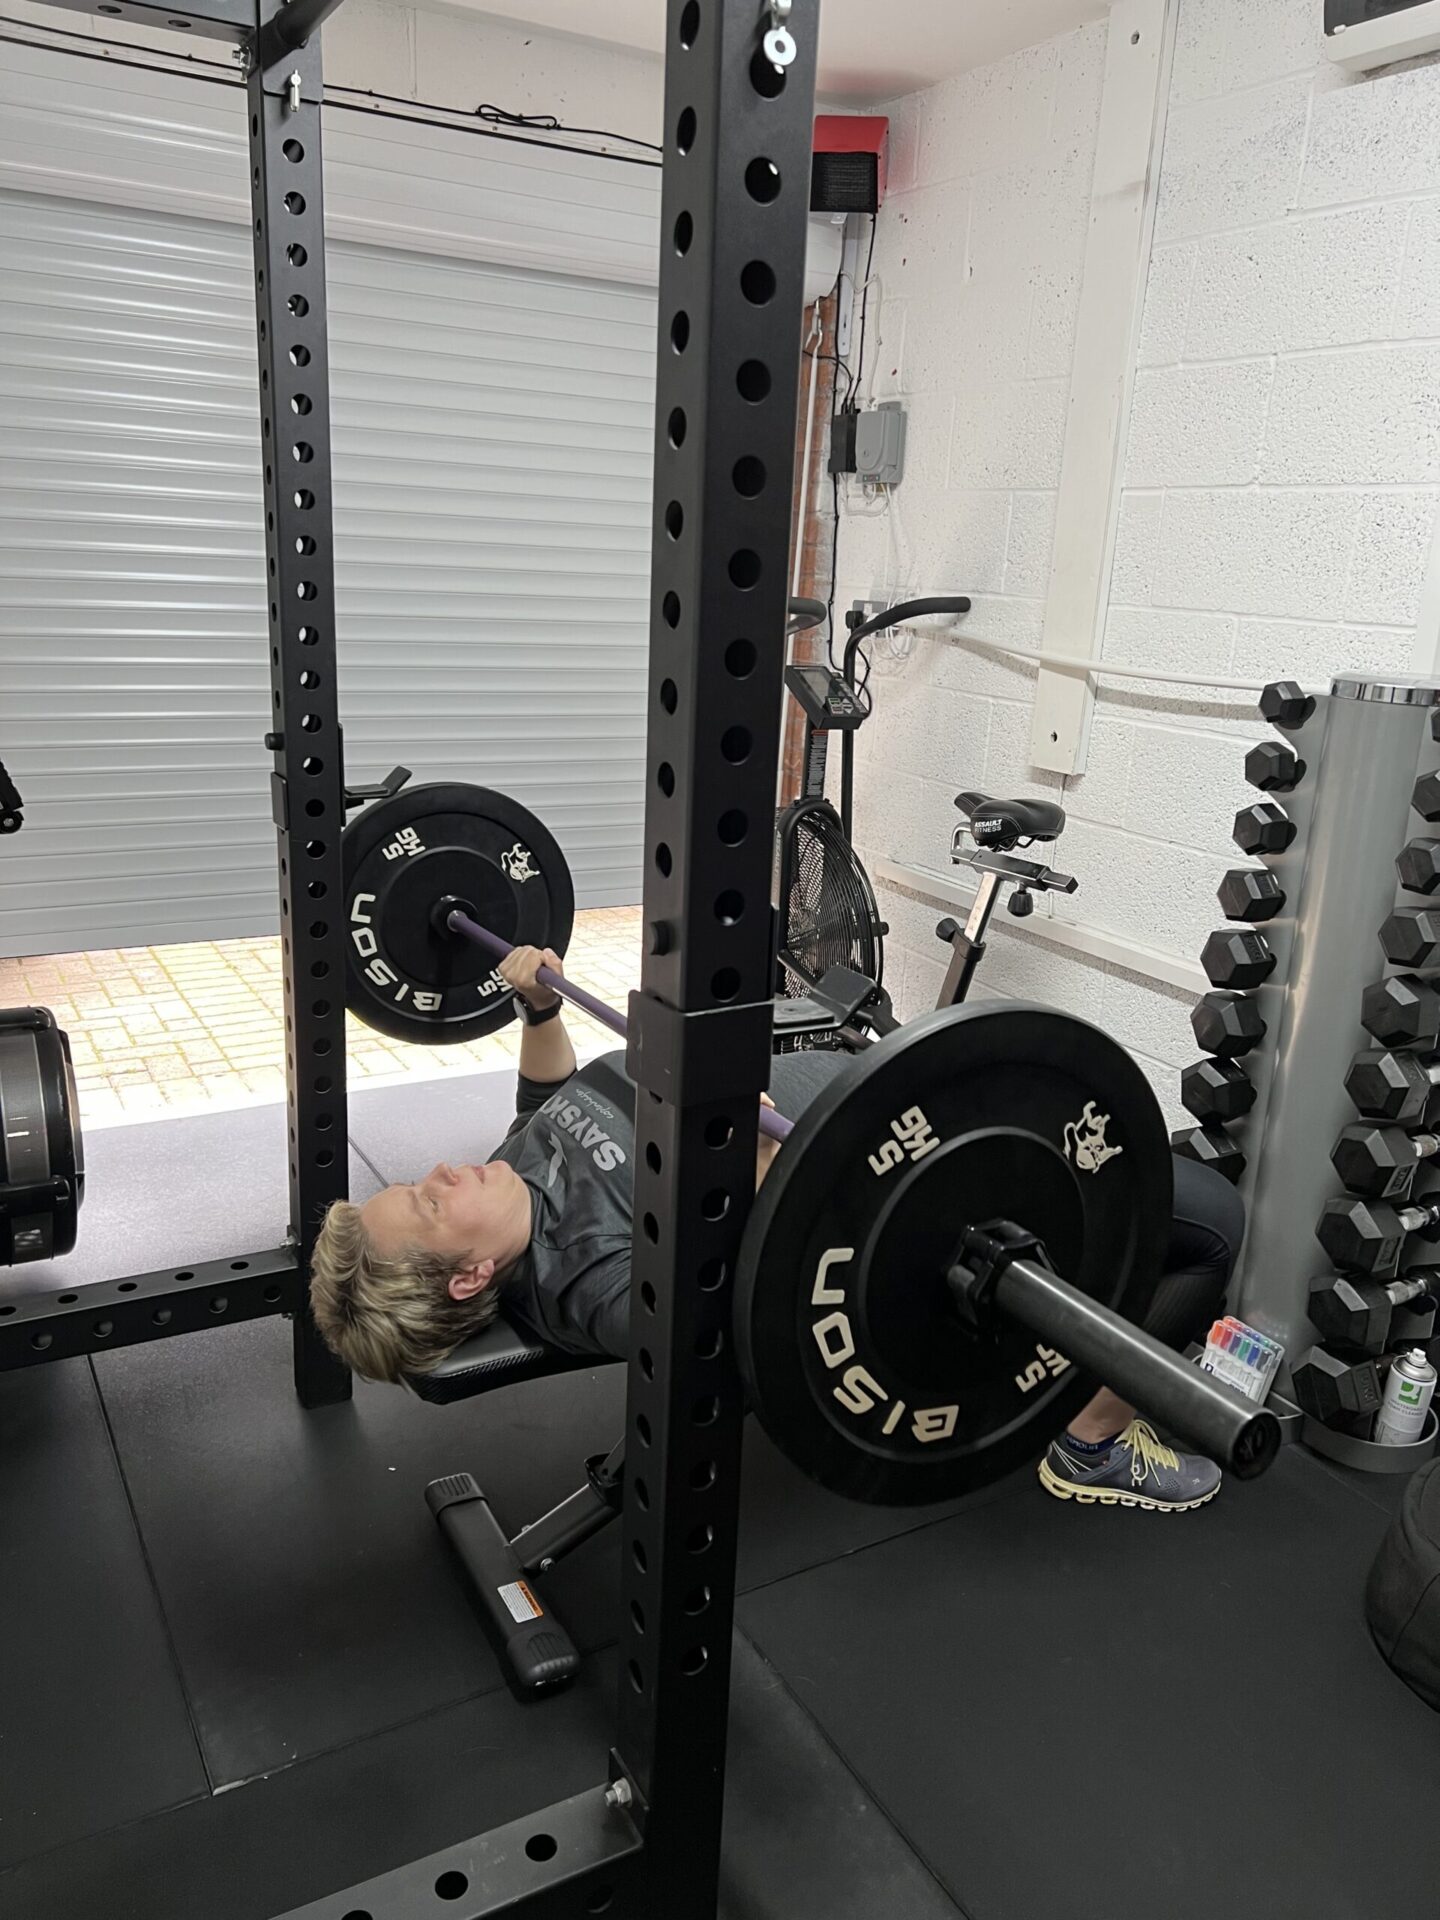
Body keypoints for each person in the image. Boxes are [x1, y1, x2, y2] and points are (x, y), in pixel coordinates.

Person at [310, 947, 1244, 1513]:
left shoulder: (508, 1180)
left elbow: (543, 1101)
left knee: (1117, 1162)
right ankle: (1091, 1437)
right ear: (471, 1277)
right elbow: (760, 1293)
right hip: (905, 1184)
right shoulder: (592, 1283)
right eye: (428, 1204)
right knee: (1208, 1228)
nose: (438, 1173)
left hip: (882, 1104)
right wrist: (744, 1150)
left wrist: (541, 1007)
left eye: (418, 1186)